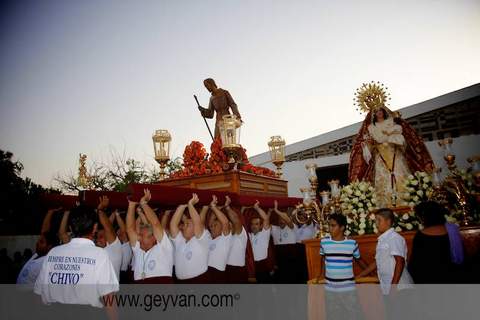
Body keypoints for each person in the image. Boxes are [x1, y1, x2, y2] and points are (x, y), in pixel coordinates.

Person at [349, 84, 433, 207]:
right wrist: (367, 145)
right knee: (383, 178)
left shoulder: (392, 122)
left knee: (400, 174)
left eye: (380, 110)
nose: (379, 113)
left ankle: (406, 202)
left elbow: (402, 138)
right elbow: (371, 144)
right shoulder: (371, 127)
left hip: (395, 153)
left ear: (384, 111)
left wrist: (392, 138)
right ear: (373, 114)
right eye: (376, 111)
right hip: (381, 156)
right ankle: (386, 205)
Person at [34, 205, 119, 312]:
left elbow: (38, 293)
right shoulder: (100, 255)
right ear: (95, 228)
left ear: (70, 228)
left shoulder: (53, 253)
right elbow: (108, 297)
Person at [357, 208, 413, 319]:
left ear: (388, 221)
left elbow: (399, 261)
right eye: (375, 221)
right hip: (388, 287)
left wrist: (393, 286)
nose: (376, 224)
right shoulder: (383, 239)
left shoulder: (394, 238)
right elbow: (376, 262)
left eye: (379, 220)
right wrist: (360, 276)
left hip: (400, 287)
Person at [320, 213, 365, 320]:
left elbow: (359, 260)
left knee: (354, 315)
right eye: (329, 225)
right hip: (330, 288)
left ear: (342, 227)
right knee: (333, 316)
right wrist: (321, 274)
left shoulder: (352, 243)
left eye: (333, 225)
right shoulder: (324, 242)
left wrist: (370, 273)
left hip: (348, 288)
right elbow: (322, 258)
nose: (330, 229)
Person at [408, 201, 462, 283]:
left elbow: (415, 263)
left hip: (429, 278)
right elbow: (460, 255)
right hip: (451, 275)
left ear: (424, 217)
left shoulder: (421, 235)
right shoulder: (452, 230)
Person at [126, 189, 174, 284]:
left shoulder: (164, 247)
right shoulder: (138, 250)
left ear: (153, 237)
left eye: (141, 235)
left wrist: (143, 203)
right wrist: (131, 205)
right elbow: (130, 229)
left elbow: (155, 224)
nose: (138, 238)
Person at [170, 194, 211, 283]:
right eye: (184, 224)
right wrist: (182, 206)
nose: (183, 227)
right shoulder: (180, 241)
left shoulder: (202, 239)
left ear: (195, 228)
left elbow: (197, 222)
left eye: (187, 224)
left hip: (199, 282)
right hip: (180, 284)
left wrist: (190, 205)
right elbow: (173, 225)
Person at [17, 208, 61, 286]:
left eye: (41, 242)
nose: (37, 243)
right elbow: (44, 231)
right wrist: (50, 212)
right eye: (39, 241)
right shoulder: (37, 255)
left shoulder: (47, 262)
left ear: (49, 247)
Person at [96, 196, 123, 281]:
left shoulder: (114, 248)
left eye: (101, 237)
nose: (98, 239)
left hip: (110, 292)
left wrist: (100, 210)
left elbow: (108, 227)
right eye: (97, 237)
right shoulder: (94, 250)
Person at [205, 195, 231, 283]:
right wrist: (216, 208)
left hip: (217, 274)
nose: (212, 228)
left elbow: (225, 222)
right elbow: (210, 223)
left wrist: (214, 207)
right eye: (211, 226)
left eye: (215, 225)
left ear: (221, 228)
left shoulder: (224, 239)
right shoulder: (209, 238)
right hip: (205, 272)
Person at [271, 201, 298, 283]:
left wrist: (276, 210)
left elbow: (287, 219)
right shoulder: (274, 228)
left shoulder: (292, 227)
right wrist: (269, 212)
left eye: (283, 219)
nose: (281, 221)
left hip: (291, 261)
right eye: (280, 219)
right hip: (279, 261)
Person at [224, 196, 249, 283]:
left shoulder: (241, 234)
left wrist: (227, 207)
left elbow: (236, 220)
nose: (229, 225)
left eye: (230, 223)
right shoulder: (227, 236)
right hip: (226, 269)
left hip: (238, 271)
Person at [249, 201, 274, 283]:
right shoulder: (249, 235)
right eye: (252, 224)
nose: (254, 226)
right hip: (252, 266)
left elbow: (266, 219)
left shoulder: (264, 234)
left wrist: (257, 208)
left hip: (263, 265)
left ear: (261, 226)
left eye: (256, 224)